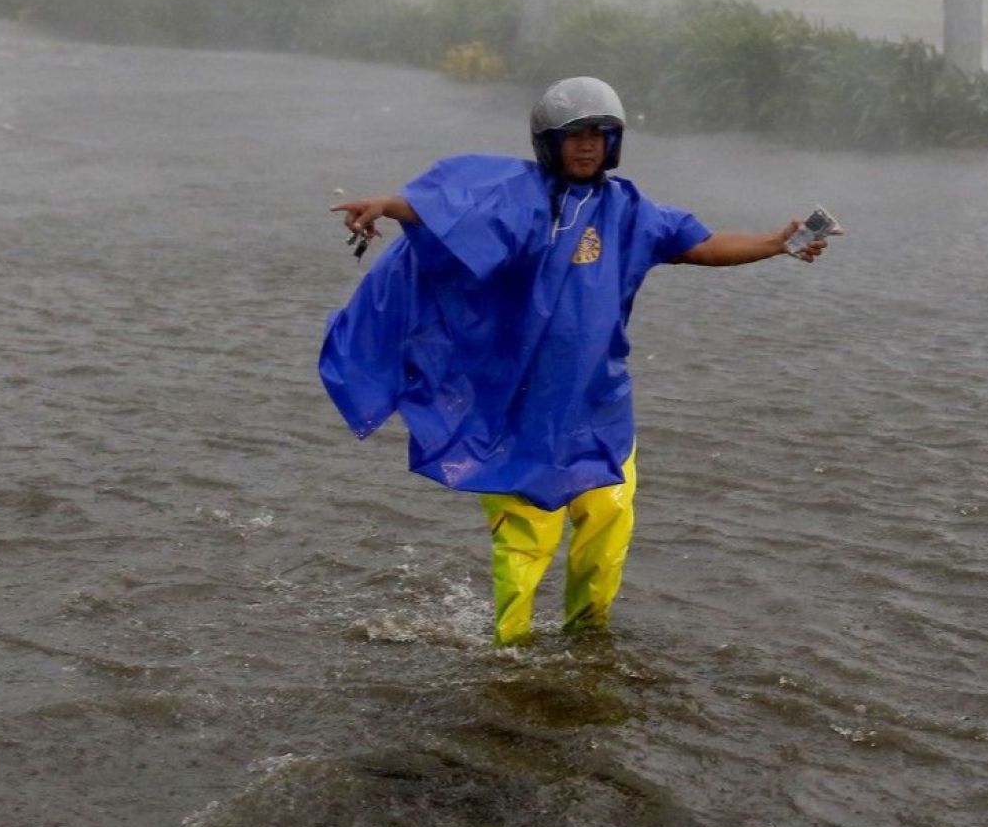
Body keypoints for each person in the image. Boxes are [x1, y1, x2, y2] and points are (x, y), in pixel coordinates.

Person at [320, 77, 831, 646]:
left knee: (608, 525)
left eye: (600, 135)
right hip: (520, 412)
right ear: (549, 142)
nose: (588, 146)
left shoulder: (630, 210)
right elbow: (453, 210)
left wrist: (776, 242)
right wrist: (389, 205)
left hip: (600, 405)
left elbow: (701, 245)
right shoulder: (517, 199)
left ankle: (588, 642)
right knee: (526, 540)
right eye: (575, 136)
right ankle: (508, 654)